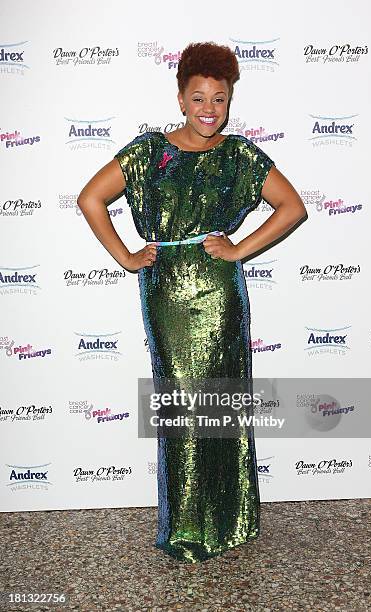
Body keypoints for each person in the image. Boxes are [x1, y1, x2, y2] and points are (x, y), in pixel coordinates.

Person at [77, 41, 307, 563]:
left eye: (219, 99)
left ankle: (231, 520)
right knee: (183, 405)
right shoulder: (147, 153)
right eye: (199, 97)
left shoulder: (240, 155)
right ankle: (186, 527)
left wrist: (237, 249)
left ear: (229, 101)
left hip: (221, 293)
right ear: (180, 98)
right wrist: (126, 256)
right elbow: (90, 199)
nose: (209, 109)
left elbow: (292, 207)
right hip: (167, 294)